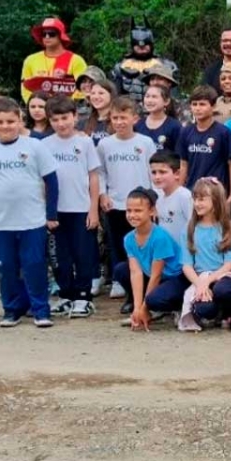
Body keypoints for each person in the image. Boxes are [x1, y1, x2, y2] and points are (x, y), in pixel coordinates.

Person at [0, 97, 60, 328]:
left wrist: (51, 215)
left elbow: (51, 181)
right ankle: (11, 310)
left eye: (10, 121)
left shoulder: (35, 146)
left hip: (32, 221)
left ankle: (40, 310)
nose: (5, 126)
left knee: (34, 266)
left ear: (19, 120)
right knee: (5, 268)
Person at [42, 95, 101, 319]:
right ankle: (66, 294)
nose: (61, 123)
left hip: (81, 209)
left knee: (83, 254)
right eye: (55, 119)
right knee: (60, 256)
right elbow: (42, 180)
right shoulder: (44, 145)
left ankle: (84, 297)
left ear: (75, 116)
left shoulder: (85, 143)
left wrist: (93, 209)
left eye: (65, 118)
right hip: (56, 211)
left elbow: (93, 176)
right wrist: (46, 211)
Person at [98, 97, 158, 313]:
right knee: (121, 249)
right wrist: (102, 194)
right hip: (116, 205)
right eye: (115, 118)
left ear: (135, 118)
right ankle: (129, 293)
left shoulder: (145, 143)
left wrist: (155, 201)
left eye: (124, 117)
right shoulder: (105, 145)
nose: (119, 122)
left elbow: (153, 173)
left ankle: (147, 295)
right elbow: (100, 172)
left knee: (143, 251)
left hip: (142, 207)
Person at [181, 178, 231, 330]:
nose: (197, 203)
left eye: (202, 199)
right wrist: (200, 284)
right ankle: (213, 312)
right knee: (205, 309)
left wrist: (208, 281)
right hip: (201, 277)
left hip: (225, 276)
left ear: (216, 200)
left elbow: (228, 265)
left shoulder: (230, 229)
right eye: (195, 199)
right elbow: (187, 265)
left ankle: (229, 310)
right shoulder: (189, 229)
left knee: (222, 290)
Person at [123, 188, 188, 332]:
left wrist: (145, 307)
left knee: (154, 299)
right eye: (129, 210)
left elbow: (156, 275)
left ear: (152, 211)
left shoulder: (160, 237)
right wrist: (137, 308)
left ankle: (178, 306)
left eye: (138, 211)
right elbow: (136, 273)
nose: (132, 215)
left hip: (176, 277)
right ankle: (144, 310)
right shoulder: (128, 238)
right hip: (156, 276)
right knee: (121, 271)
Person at [177, 85, 231, 202]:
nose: (198, 108)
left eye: (202, 104)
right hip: (192, 191)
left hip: (215, 192)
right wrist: (179, 191)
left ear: (213, 106)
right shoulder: (186, 132)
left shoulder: (223, 132)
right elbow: (184, 164)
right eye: (194, 104)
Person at [111, 18, 178, 105]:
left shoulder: (166, 66)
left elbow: (174, 97)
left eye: (145, 45)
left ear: (151, 44)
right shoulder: (120, 67)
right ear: (132, 45)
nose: (141, 48)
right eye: (137, 45)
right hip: (129, 109)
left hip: (159, 109)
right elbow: (115, 96)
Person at [20, 17, 88, 102]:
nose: (47, 37)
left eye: (51, 34)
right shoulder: (30, 60)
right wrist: (35, 105)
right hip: (39, 107)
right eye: (44, 34)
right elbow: (25, 87)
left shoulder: (76, 60)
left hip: (67, 107)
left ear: (60, 35)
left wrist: (67, 104)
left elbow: (84, 88)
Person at [151, 151, 193, 248]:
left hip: (183, 252)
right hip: (165, 252)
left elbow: (194, 226)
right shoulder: (157, 196)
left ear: (177, 174)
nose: (157, 177)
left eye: (162, 172)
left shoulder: (185, 196)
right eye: (154, 172)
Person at [135, 85, 182, 150]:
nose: (149, 100)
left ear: (166, 101)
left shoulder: (174, 126)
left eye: (154, 97)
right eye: (147, 96)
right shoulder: (138, 124)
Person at [82, 78, 117, 147]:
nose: (96, 97)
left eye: (101, 93)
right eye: (93, 93)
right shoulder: (83, 123)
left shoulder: (120, 121)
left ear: (111, 95)